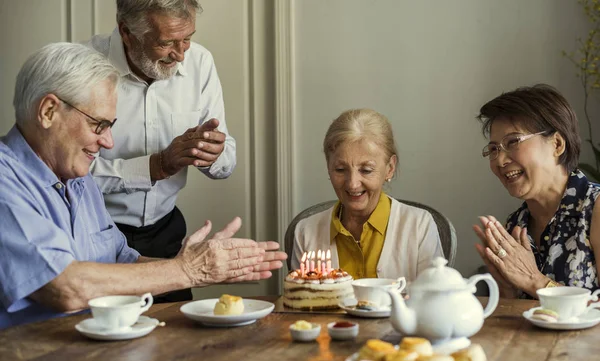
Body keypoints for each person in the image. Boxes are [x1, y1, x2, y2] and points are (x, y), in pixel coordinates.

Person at [0, 42, 286, 329]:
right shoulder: (5, 182)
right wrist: (187, 270)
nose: (108, 142)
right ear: (49, 111)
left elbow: (119, 262)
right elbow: (65, 286)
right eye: (99, 125)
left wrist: (201, 264)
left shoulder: (77, 176)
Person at [87, 0, 236, 302]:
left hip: (167, 235)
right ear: (126, 32)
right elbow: (65, 173)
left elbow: (227, 159)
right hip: (93, 238)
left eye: (188, 39)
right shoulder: (82, 67)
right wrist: (155, 167)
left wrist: (212, 152)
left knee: (180, 343)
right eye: (167, 43)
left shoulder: (200, 62)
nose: (181, 55)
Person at [473, 84, 600, 299]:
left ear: (557, 144)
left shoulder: (595, 208)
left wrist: (534, 280)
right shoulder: (515, 224)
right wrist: (506, 287)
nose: (500, 160)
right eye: (494, 149)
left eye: (513, 142)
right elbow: (516, 318)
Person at [290, 109, 443, 281]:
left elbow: (434, 301)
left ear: (390, 168)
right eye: (340, 169)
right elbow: (300, 304)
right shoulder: (306, 231)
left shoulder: (419, 226)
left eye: (366, 170)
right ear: (328, 167)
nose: (352, 184)